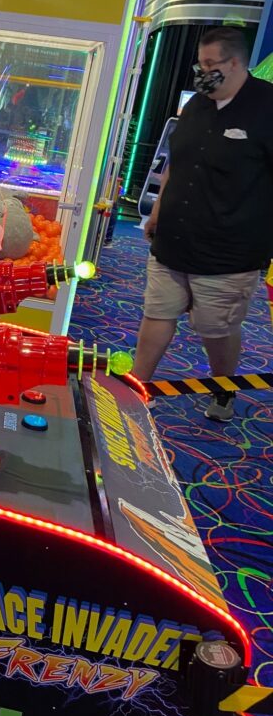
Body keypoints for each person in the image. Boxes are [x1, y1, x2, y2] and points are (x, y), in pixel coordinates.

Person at [133, 27, 273, 421]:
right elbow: (176, 163)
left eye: (211, 64)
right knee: (157, 313)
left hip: (228, 252)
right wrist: (158, 211)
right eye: (200, 62)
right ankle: (136, 387)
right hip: (173, 238)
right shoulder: (197, 104)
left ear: (235, 63)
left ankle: (224, 387)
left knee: (215, 329)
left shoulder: (267, 107)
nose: (202, 71)